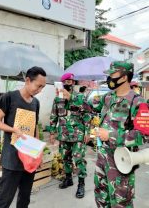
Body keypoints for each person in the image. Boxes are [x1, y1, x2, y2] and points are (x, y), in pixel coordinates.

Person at [90, 61, 148, 207]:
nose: (109, 78)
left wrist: (110, 135)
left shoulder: (138, 102)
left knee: (121, 202)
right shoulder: (108, 97)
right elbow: (89, 106)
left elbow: (143, 135)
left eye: (112, 74)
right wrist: (68, 97)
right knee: (101, 197)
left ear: (123, 77)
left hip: (121, 162)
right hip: (102, 158)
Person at [0, 66, 46, 208]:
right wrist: (13, 130)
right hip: (12, 158)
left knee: (24, 198)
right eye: (38, 86)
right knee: (4, 200)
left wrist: (37, 153)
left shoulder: (36, 103)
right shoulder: (9, 97)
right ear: (28, 80)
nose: (40, 90)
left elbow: (35, 128)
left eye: (43, 87)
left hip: (29, 158)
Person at [49, 73, 92, 198]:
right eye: (67, 81)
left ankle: (81, 184)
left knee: (78, 159)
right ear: (62, 83)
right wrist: (52, 132)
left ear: (74, 83)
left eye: (71, 81)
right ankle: (68, 179)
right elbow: (54, 116)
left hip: (78, 134)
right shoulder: (57, 98)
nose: (69, 83)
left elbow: (88, 114)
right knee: (65, 158)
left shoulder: (79, 97)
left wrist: (88, 132)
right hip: (63, 134)